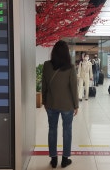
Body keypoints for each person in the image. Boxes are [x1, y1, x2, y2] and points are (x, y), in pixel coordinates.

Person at [41, 40, 79, 168]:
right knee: (67, 130)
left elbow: (44, 86)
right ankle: (65, 159)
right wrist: (76, 105)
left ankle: (53, 159)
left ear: (54, 52)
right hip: (67, 105)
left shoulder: (47, 65)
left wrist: (44, 101)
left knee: (52, 130)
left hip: (51, 104)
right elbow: (74, 87)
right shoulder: (70, 67)